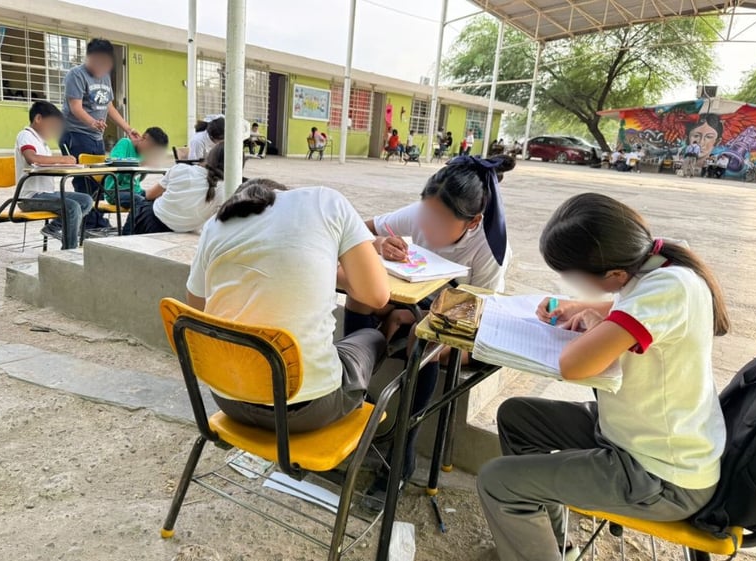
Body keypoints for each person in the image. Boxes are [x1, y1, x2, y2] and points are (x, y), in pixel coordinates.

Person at [477, 193, 728, 561]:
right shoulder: (659, 268)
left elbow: (574, 366)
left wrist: (595, 325)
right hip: (633, 434)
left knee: (498, 481)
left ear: (614, 274)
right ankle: (551, 545)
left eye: (574, 279)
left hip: (662, 475)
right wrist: (578, 307)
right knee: (518, 416)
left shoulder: (669, 290)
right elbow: (623, 306)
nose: (573, 286)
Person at [343, 155, 515, 504]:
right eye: (426, 214)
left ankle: (400, 454)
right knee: (360, 296)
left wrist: (419, 316)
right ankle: (351, 409)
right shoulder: (422, 213)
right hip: (419, 306)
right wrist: (376, 244)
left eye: (440, 220)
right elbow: (354, 231)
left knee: (423, 341)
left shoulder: (491, 249)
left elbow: (477, 313)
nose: (428, 225)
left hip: (466, 329)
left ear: (473, 221)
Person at [186, 180, 390, 433]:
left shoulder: (214, 226)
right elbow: (378, 296)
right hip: (310, 410)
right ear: (281, 193)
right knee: (372, 337)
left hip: (229, 399)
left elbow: (195, 309)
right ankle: (358, 405)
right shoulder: (327, 202)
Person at [60, 38, 138, 233]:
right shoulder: (76, 75)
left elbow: (109, 106)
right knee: (83, 180)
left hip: (95, 137)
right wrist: (92, 122)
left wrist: (127, 128)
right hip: (75, 134)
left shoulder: (103, 77)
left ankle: (96, 221)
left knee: (98, 178)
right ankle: (87, 223)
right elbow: (75, 107)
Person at [15, 101, 94, 250]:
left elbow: (44, 163)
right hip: (29, 197)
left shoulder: (42, 143)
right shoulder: (25, 135)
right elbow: (32, 158)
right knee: (71, 207)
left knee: (86, 200)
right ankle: (69, 250)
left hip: (47, 194)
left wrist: (66, 164)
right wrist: (62, 159)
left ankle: (55, 228)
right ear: (38, 119)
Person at [130, 142, 233, 235]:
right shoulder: (226, 190)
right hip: (184, 230)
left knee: (137, 201)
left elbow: (150, 195)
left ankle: (123, 239)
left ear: (210, 156)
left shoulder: (181, 169)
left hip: (152, 221)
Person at [103, 127, 169, 216]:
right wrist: (140, 163)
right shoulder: (125, 143)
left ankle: (151, 228)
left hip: (136, 191)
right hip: (115, 192)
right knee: (139, 201)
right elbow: (113, 161)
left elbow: (137, 179)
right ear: (144, 138)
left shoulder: (143, 155)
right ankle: (130, 229)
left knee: (162, 197)